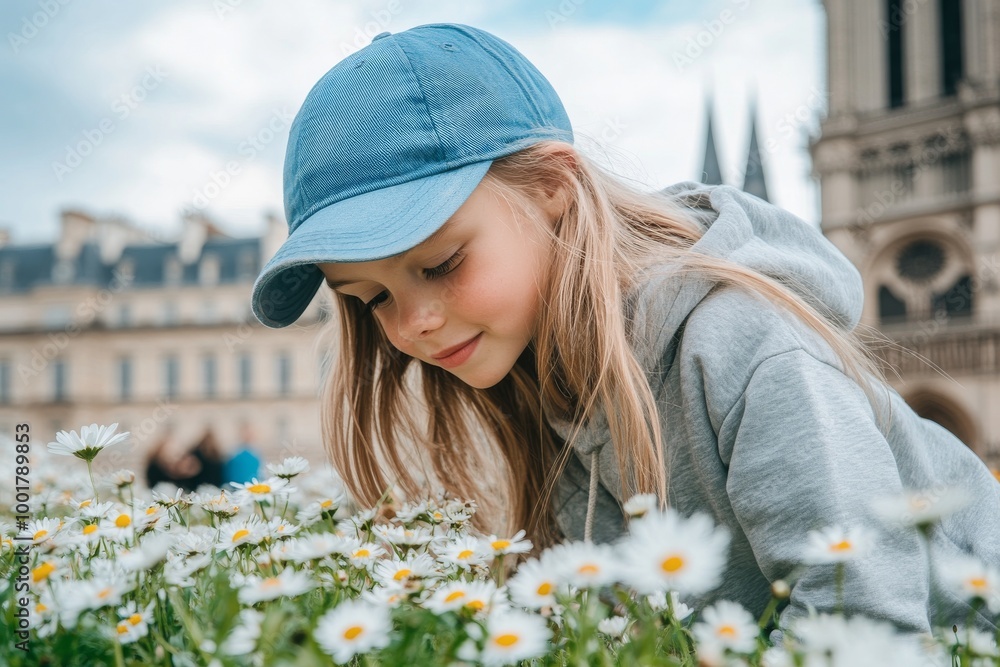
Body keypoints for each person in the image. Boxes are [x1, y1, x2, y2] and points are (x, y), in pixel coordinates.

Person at [250, 23, 1000, 636]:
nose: (410, 322)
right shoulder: (532, 378)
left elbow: (866, 623)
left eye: (441, 262)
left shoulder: (744, 345)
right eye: (369, 298)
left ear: (552, 187)